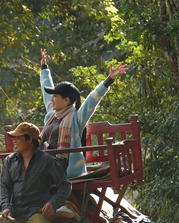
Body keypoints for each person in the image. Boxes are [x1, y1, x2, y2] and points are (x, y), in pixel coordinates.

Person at [39, 48, 129, 178]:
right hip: (51, 164)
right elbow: (45, 88)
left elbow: (92, 101)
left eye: (55, 96)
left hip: (65, 169)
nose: (52, 99)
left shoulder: (76, 118)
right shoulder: (52, 114)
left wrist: (110, 79)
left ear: (66, 100)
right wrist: (44, 67)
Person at [0, 122, 72, 223]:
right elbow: (4, 186)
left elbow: (65, 185)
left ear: (29, 140)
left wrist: (53, 203)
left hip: (36, 214)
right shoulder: (9, 161)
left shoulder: (48, 161)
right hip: (14, 213)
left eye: (18, 138)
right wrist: (6, 206)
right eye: (14, 138)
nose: (15, 141)